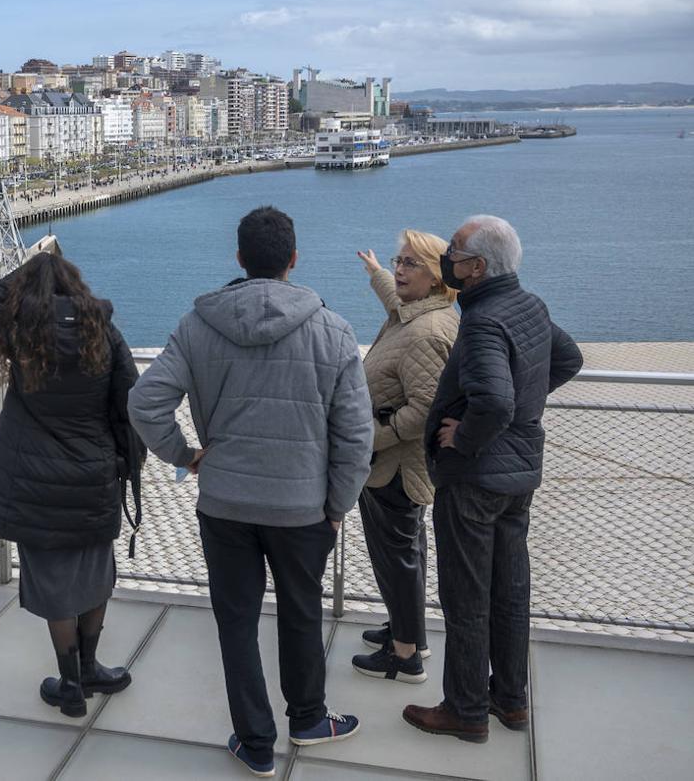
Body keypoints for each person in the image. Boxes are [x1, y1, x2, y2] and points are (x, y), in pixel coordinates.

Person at [128, 206, 372, 777]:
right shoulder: (333, 330)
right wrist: (337, 505)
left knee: (235, 619)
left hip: (225, 504)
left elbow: (144, 403)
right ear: (293, 260)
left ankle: (255, 742)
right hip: (302, 508)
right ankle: (308, 719)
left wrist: (185, 455)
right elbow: (357, 436)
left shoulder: (198, 324)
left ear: (239, 258)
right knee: (301, 612)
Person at [404, 216, 582, 743]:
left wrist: (465, 438)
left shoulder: (481, 321)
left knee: (466, 597)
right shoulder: (528, 305)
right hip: (519, 475)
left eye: (454, 254)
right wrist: (523, 414)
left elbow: (495, 401)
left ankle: (464, 709)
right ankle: (510, 700)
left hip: (475, 480)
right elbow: (567, 359)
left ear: (477, 267)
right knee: (510, 590)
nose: (447, 262)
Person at [0, 252, 144, 719]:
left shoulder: (20, 334)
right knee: (94, 573)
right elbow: (129, 402)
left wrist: (30, 270)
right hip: (93, 476)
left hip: (35, 482)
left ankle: (70, 684)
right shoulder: (103, 332)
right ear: (76, 287)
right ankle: (90, 668)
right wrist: (126, 464)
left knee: (52, 580)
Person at [351, 232, 459, 684]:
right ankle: (409, 632)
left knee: (397, 557)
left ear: (436, 276)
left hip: (395, 466)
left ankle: (405, 656)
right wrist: (377, 272)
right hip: (398, 467)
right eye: (399, 260)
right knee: (406, 551)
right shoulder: (418, 314)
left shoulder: (426, 332)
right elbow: (395, 302)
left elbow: (424, 409)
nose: (400, 270)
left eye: (411, 264)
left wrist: (373, 437)